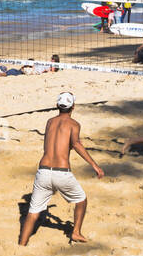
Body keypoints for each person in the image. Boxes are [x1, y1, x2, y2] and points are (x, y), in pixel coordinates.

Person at [18, 92, 104, 246]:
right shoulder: (74, 124)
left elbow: (51, 144)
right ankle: (76, 232)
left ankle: (22, 244)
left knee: (32, 213)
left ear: (57, 105)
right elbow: (76, 144)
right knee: (81, 200)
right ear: (73, 107)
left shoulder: (49, 122)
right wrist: (94, 165)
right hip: (62, 173)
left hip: (43, 171)